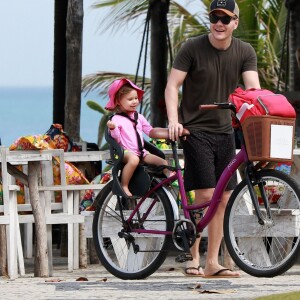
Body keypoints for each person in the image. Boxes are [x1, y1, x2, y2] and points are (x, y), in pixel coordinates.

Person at [165, 0, 261, 277]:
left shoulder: (244, 51)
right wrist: (174, 121)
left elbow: (252, 89)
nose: (219, 23)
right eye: (214, 17)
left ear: (235, 23)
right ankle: (193, 258)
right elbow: (172, 86)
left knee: (225, 196)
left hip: (225, 132)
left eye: (225, 18)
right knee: (206, 195)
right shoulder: (192, 48)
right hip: (194, 131)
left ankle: (212, 263)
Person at [105, 78, 168, 197]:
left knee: (162, 162)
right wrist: (113, 129)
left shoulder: (139, 117)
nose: (134, 101)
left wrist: (166, 133)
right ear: (118, 101)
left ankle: (166, 184)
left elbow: (149, 131)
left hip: (141, 152)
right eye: (130, 99)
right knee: (134, 160)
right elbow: (116, 139)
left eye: (136, 98)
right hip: (125, 152)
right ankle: (124, 185)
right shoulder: (116, 119)